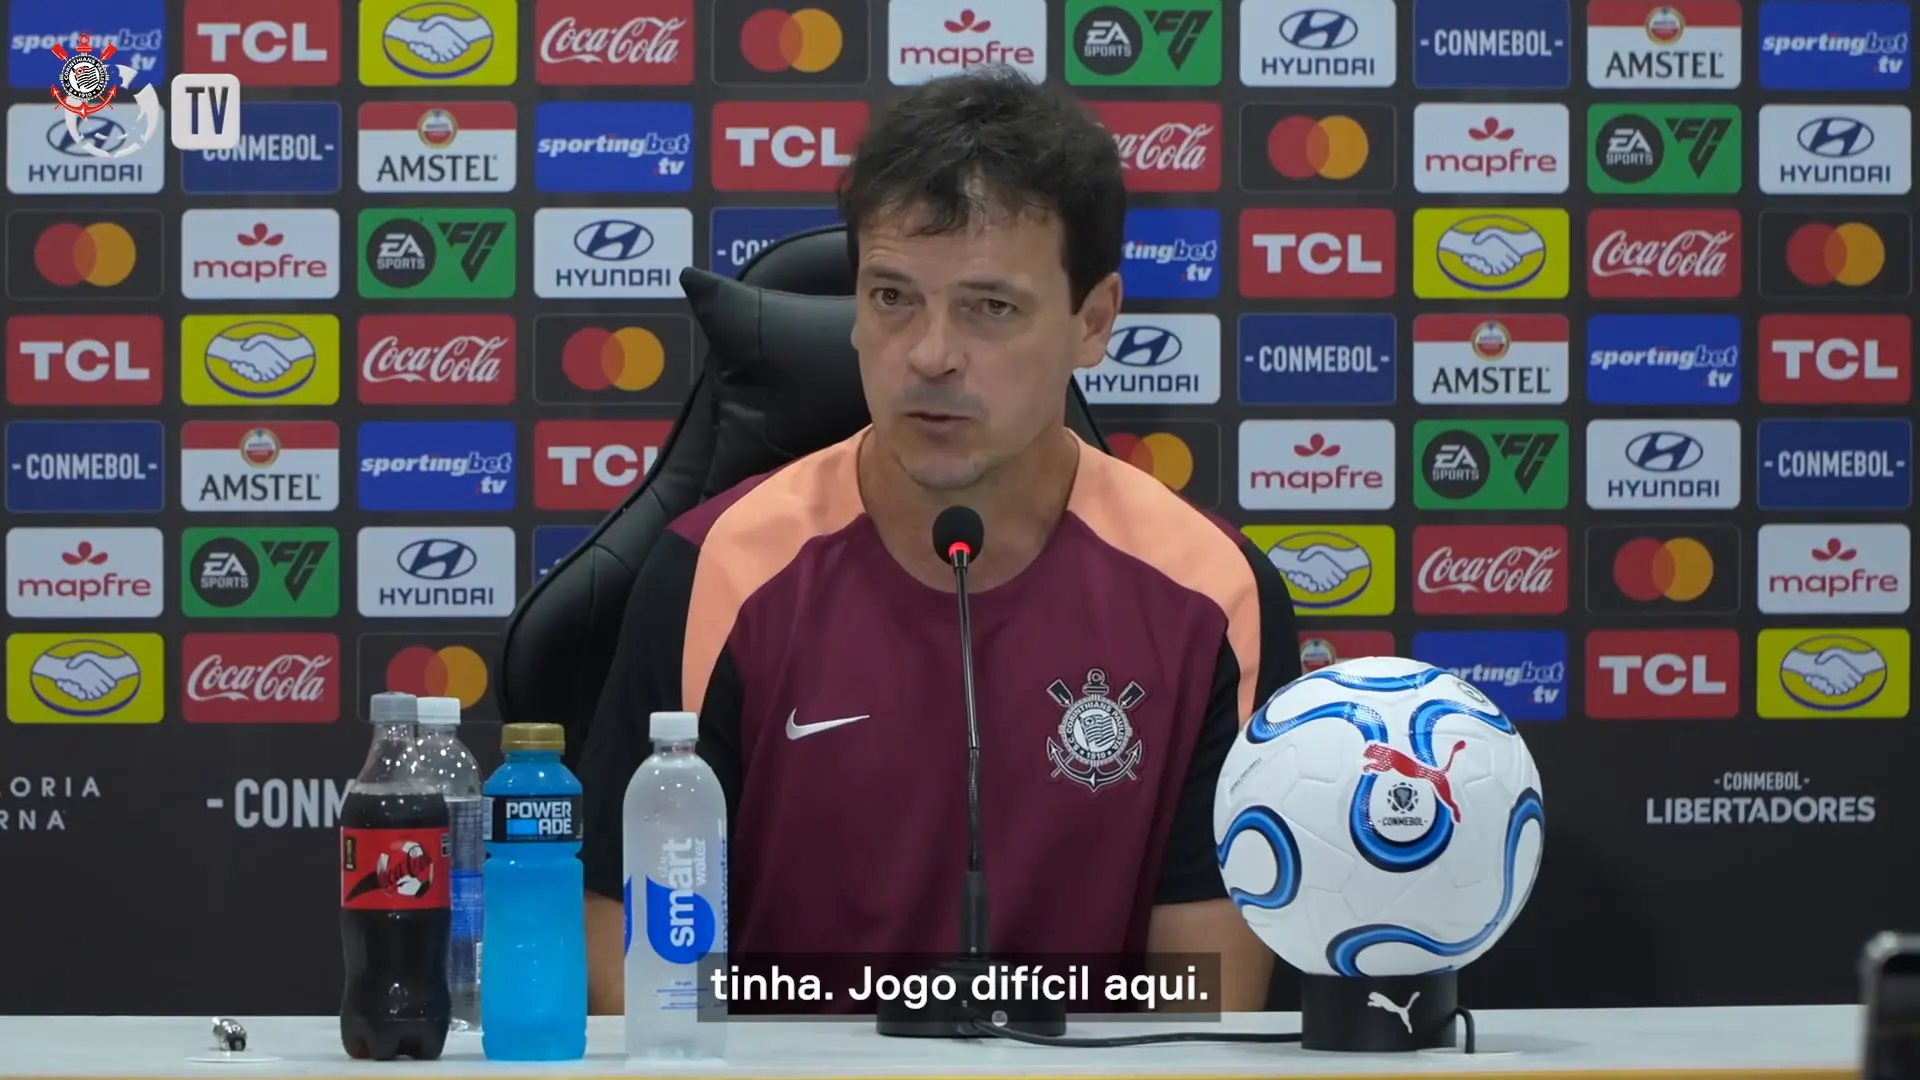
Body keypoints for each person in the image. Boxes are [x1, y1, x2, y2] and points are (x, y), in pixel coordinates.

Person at [577, 67, 1300, 1016]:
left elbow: (1203, 1003)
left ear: (1093, 322)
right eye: (892, 297)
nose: (929, 354)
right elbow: (631, 976)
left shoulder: (1214, 596)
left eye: (990, 307)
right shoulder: (716, 570)